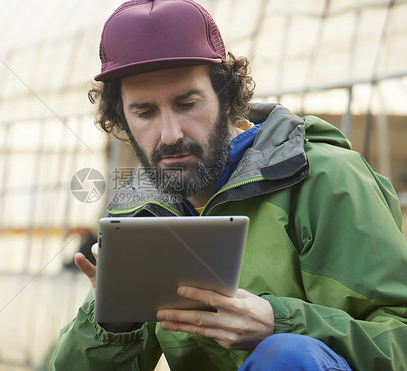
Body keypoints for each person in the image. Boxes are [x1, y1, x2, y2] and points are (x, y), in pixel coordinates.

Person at [50, 0, 407, 370]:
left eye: (187, 104)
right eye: (145, 113)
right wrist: (113, 323)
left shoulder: (327, 179)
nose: (170, 135)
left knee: (287, 357)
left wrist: (277, 322)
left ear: (227, 99)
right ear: (121, 119)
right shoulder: (139, 211)